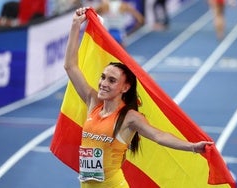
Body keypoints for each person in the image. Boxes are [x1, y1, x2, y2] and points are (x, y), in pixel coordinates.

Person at [65, 7, 213, 188]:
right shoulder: (93, 102)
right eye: (103, 77)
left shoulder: (129, 117)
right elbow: (70, 67)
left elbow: (159, 136)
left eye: (112, 81)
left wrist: (191, 147)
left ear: (125, 87)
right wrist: (75, 26)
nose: (103, 83)